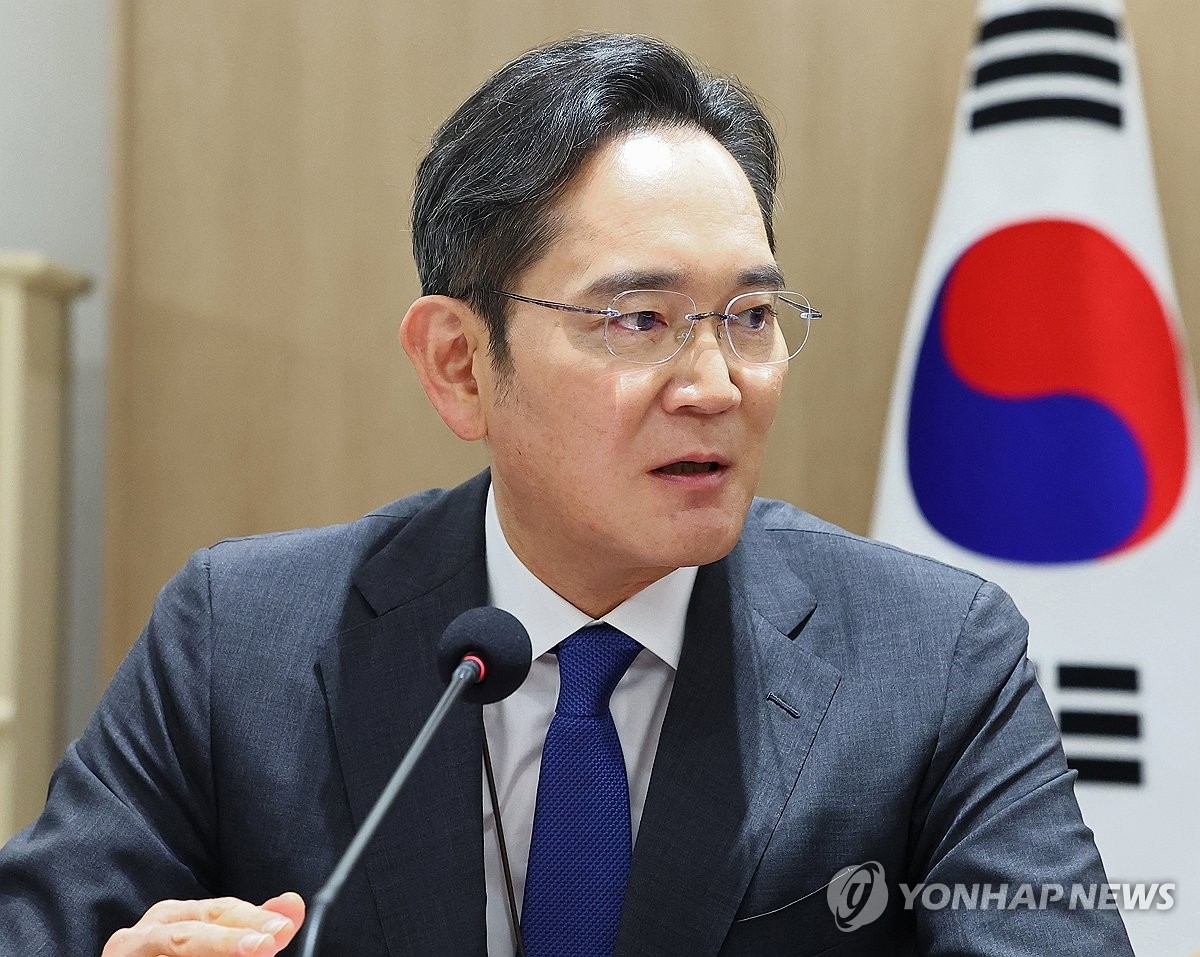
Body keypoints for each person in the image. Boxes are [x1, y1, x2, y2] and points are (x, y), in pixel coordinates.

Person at [0, 32, 1133, 957]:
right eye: (638, 319)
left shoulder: (932, 659)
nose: (716, 385)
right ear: (460, 364)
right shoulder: (240, 640)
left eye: (750, 317)